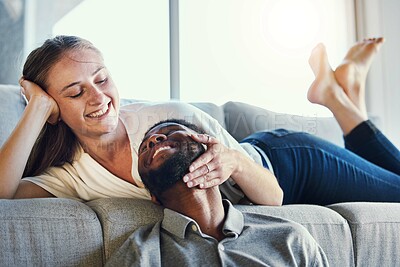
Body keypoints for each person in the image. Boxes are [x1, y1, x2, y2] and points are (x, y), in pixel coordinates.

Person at [0, 35, 398, 206]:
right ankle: (347, 96)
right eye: (74, 92)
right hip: (277, 162)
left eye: (102, 78)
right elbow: (4, 194)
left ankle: (336, 97)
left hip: (289, 164)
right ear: (55, 107)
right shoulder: (71, 175)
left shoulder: (165, 120)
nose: (99, 97)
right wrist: (35, 106)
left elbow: (274, 198)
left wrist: (234, 160)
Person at [105, 119, 329, 266]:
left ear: (209, 149)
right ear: (152, 195)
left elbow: (275, 196)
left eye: (171, 132)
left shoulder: (290, 238)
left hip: (291, 155)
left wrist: (237, 162)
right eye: (145, 148)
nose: (154, 140)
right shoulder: (140, 254)